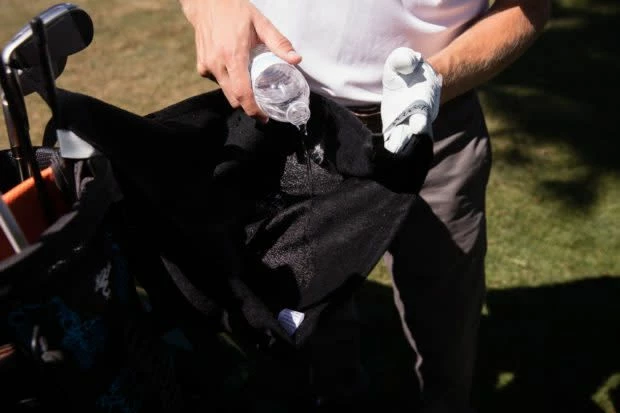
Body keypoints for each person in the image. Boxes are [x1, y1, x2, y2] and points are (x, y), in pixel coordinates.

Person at [177, 0, 551, 411]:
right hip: (283, 123)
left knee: (445, 311)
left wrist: (435, 79)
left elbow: (529, 7)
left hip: (435, 121)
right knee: (308, 306)